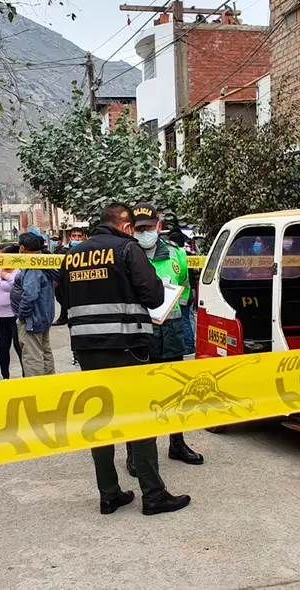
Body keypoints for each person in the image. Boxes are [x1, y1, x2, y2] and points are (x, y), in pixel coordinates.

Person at [59, 203, 191, 516]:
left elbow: (62, 300)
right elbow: (154, 296)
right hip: (126, 345)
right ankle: (153, 495)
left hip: (86, 350)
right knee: (138, 418)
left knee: (100, 419)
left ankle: (109, 494)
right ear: (125, 225)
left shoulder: (73, 255)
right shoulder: (126, 249)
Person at [124, 203, 202, 478]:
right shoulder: (127, 255)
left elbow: (184, 293)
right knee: (141, 397)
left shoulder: (177, 255)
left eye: (149, 227)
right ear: (132, 229)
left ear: (158, 225)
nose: (145, 232)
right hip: (141, 334)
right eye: (139, 228)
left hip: (171, 332)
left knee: (176, 393)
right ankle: (134, 452)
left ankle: (177, 444)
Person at [11, 232, 56, 377]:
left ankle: (37, 390)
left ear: (23, 248)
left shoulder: (32, 266)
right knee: (45, 352)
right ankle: (50, 386)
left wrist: (22, 315)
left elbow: (30, 295)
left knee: (33, 357)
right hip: (45, 316)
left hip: (33, 319)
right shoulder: (44, 262)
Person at [0, 244, 23, 379]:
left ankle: (25, 375)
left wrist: (6, 276)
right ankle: (5, 376)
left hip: (14, 316)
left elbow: (17, 285)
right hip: (1, 317)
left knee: (19, 347)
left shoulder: (18, 271)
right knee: (3, 348)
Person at [167, 227, 196, 355]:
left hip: (182, 294)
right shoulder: (186, 254)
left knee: (184, 320)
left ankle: (189, 345)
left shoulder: (178, 255)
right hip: (187, 292)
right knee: (188, 318)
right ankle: (188, 343)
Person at [53, 226, 87, 326]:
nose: (76, 238)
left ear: (83, 237)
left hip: (81, 279)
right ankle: (64, 317)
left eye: (79, 236)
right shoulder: (63, 251)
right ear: (70, 238)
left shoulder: (88, 249)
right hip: (65, 281)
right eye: (74, 236)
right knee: (62, 298)